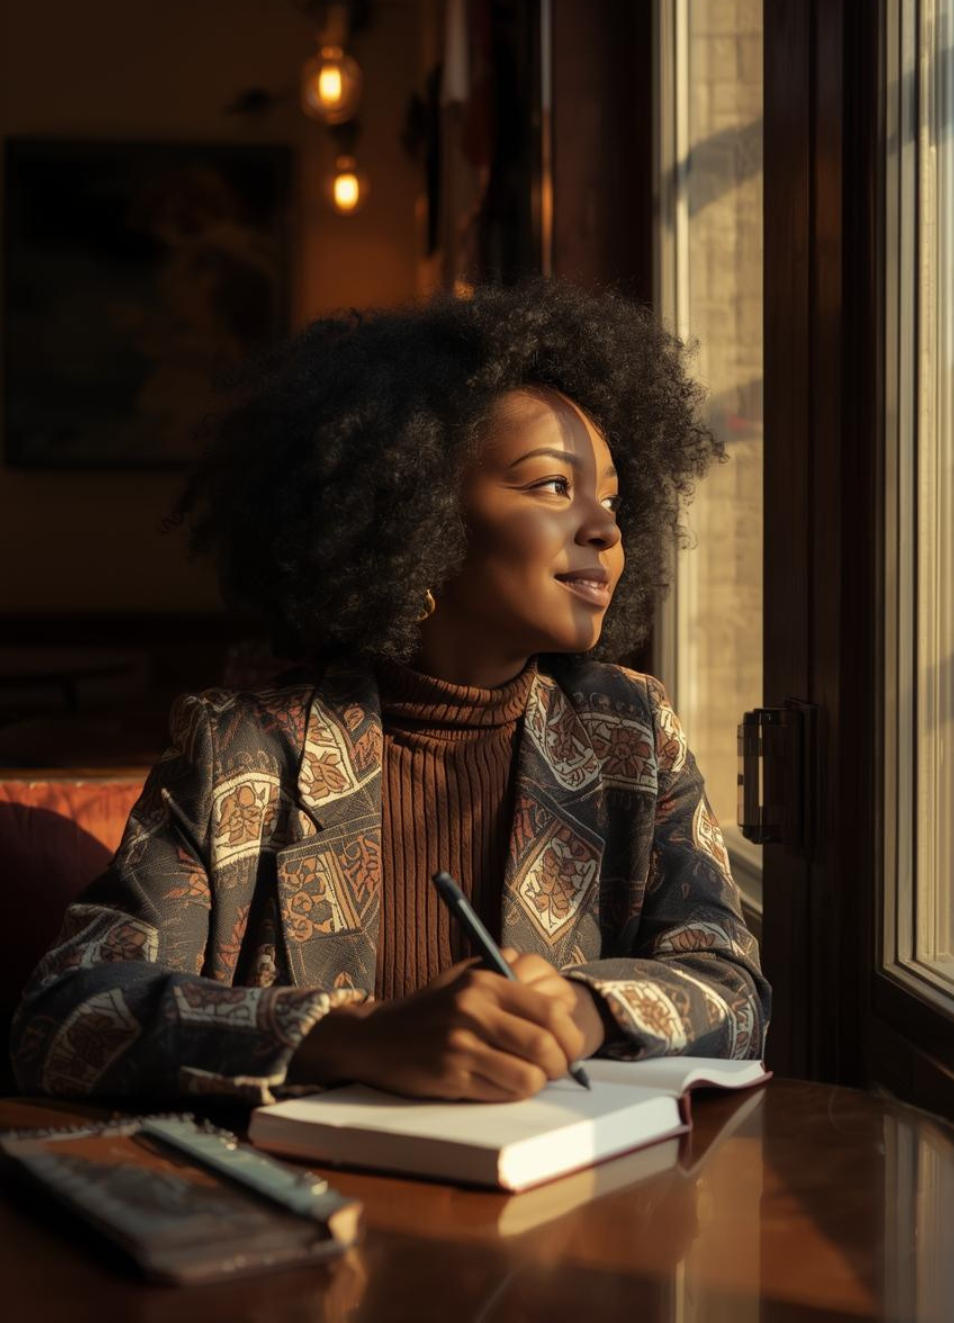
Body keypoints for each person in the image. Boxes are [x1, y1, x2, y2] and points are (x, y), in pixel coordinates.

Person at [11, 279, 770, 1106]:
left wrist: (587, 1009)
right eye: (552, 485)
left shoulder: (631, 732)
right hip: (315, 1209)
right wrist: (350, 1037)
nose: (604, 526)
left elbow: (733, 991)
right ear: (412, 510)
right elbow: (64, 1017)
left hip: (562, 1206)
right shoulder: (244, 747)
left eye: (613, 498)